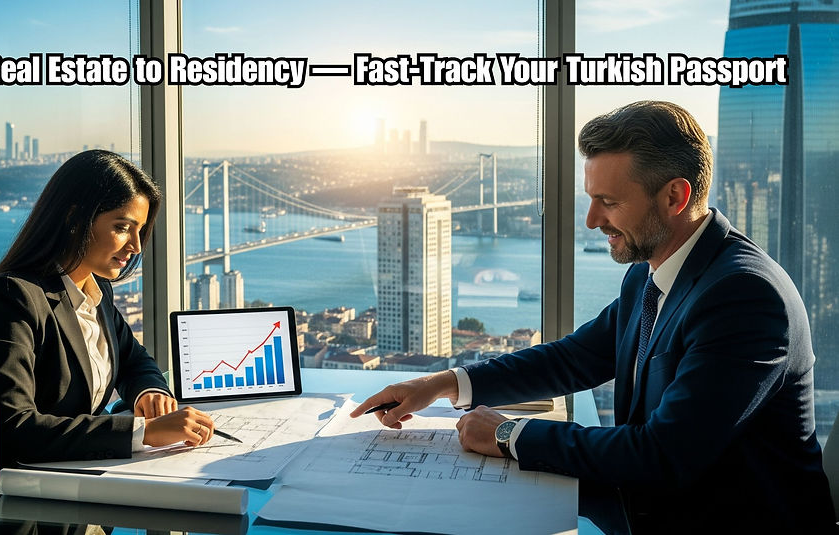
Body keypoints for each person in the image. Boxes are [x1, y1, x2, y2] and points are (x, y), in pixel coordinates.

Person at [352, 101, 835, 532]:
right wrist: (442, 383)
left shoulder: (744, 296)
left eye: (609, 201)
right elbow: (573, 359)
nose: (591, 220)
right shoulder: (654, 272)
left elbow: (663, 455)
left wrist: (506, 433)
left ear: (674, 197)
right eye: (591, 197)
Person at [0, 150, 215, 466]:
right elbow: (9, 428)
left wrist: (149, 394)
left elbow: (132, 359)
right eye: (122, 227)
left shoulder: (94, 289)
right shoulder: (9, 298)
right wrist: (144, 432)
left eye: (140, 230)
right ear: (75, 219)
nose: (136, 246)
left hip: (72, 479)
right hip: (13, 497)